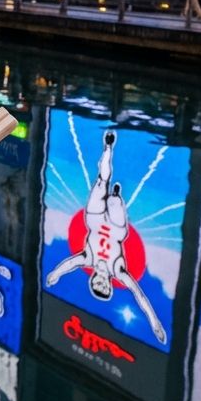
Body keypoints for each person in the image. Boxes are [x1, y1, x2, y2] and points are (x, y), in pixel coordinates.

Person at [45, 131, 168, 345]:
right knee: (111, 197)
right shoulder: (118, 271)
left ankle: (109, 160)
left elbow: (68, 264)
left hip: (94, 220)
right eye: (105, 287)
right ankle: (114, 184)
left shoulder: (87, 259)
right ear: (110, 285)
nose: (101, 282)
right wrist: (155, 323)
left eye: (97, 286)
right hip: (117, 229)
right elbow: (140, 297)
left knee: (101, 183)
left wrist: (55, 275)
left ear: (93, 280)